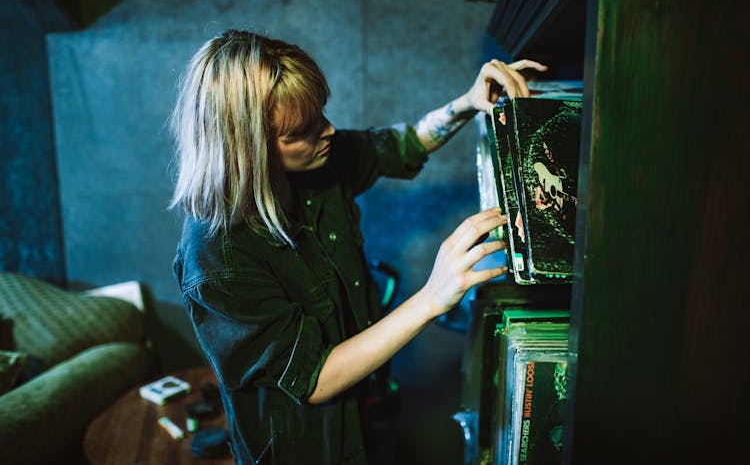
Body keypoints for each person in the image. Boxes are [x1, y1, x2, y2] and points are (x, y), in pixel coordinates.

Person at [170, 29, 547, 465]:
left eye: (322, 114)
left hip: (371, 414)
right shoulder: (217, 258)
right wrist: (433, 296)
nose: (329, 130)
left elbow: (401, 144)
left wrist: (466, 102)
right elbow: (313, 379)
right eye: (304, 130)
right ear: (247, 150)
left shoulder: (316, 156)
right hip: (309, 450)